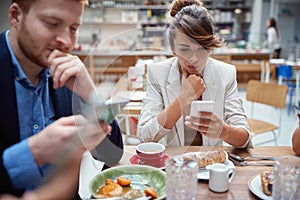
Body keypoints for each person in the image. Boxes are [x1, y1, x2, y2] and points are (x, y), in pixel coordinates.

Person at [0, 0, 123, 196]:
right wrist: (33, 152)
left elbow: (113, 153)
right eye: (52, 23)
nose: (66, 41)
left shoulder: (67, 76)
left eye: (73, 28)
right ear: (16, 16)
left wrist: (90, 94)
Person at [138, 0, 251, 148]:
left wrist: (223, 131)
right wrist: (184, 98)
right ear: (173, 48)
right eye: (185, 49)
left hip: (211, 164)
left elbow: (245, 140)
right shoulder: (158, 73)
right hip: (173, 165)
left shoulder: (226, 74)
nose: (194, 58)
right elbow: (145, 137)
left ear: (210, 47)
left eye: (202, 48)